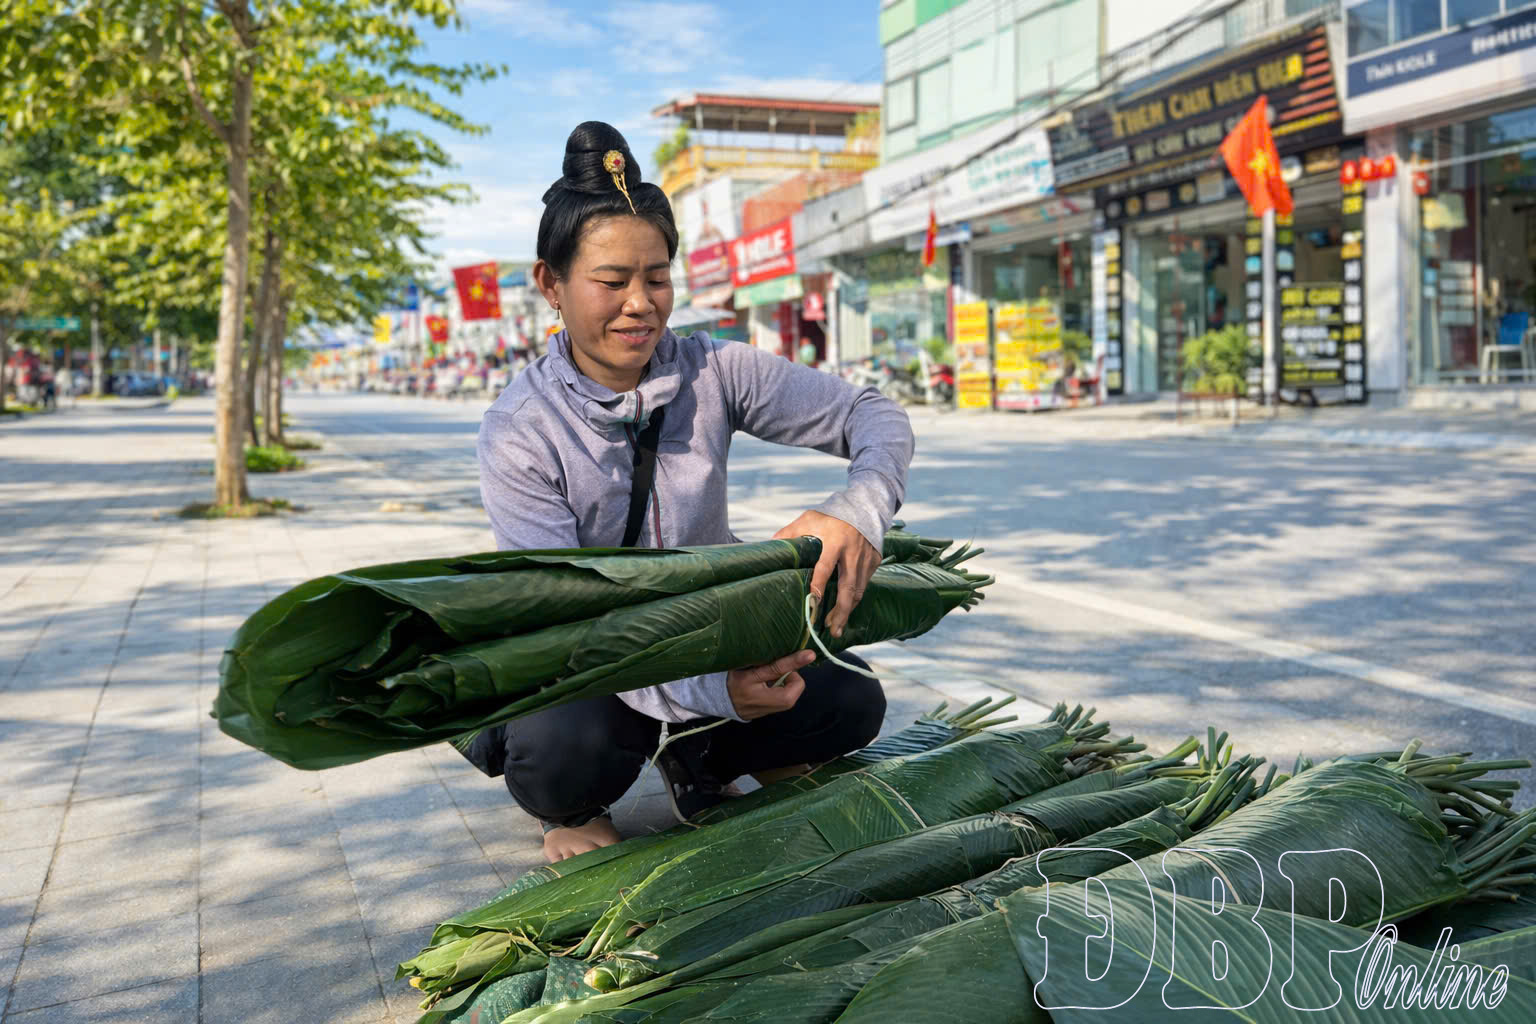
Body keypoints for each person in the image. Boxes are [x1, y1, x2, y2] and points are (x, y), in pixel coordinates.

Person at [464, 122, 915, 863]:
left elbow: (876, 415)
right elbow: (573, 627)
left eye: (658, 277)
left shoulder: (715, 369)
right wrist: (716, 694)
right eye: (612, 282)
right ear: (551, 283)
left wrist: (858, 508)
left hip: (718, 635)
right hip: (597, 659)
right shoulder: (519, 431)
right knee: (559, 754)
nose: (640, 304)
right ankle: (577, 806)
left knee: (851, 703)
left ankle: (700, 759)